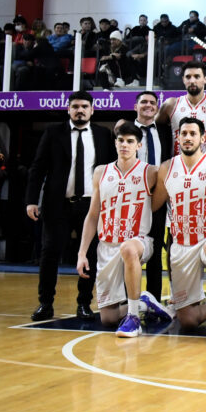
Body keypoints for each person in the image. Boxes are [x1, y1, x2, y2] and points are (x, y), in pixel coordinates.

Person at [26, 91, 116, 321]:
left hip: (91, 205)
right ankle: (45, 303)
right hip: (58, 204)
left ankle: (84, 303)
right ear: (68, 109)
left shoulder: (103, 134)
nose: (80, 110)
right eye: (75, 106)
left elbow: (112, 170)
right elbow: (38, 167)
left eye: (84, 106)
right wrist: (32, 200)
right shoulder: (53, 132)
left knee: (90, 254)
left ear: (92, 110)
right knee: (50, 253)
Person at [76, 122, 172, 337]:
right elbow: (93, 215)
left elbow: (160, 201)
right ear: (115, 143)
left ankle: (134, 317)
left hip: (138, 241)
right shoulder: (101, 172)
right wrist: (82, 253)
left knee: (128, 248)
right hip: (107, 245)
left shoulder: (151, 172)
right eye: (121, 140)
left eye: (130, 141)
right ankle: (143, 303)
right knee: (108, 318)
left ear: (139, 145)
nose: (124, 145)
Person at [151, 117, 206, 342]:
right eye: (184, 133)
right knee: (188, 320)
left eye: (193, 134)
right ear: (178, 137)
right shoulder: (166, 168)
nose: (188, 138)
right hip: (182, 244)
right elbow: (153, 205)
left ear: (203, 138)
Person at [132, 91, 173, 302]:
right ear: (135, 107)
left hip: (158, 196)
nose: (148, 105)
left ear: (157, 108)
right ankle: (128, 300)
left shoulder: (165, 131)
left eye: (152, 102)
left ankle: (153, 300)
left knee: (156, 251)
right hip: (132, 198)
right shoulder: (126, 131)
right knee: (130, 250)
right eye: (143, 102)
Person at [156, 60, 206, 158]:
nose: (192, 81)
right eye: (188, 77)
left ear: (205, 79)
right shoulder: (171, 105)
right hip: (180, 165)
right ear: (183, 80)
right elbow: (153, 126)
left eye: (197, 76)